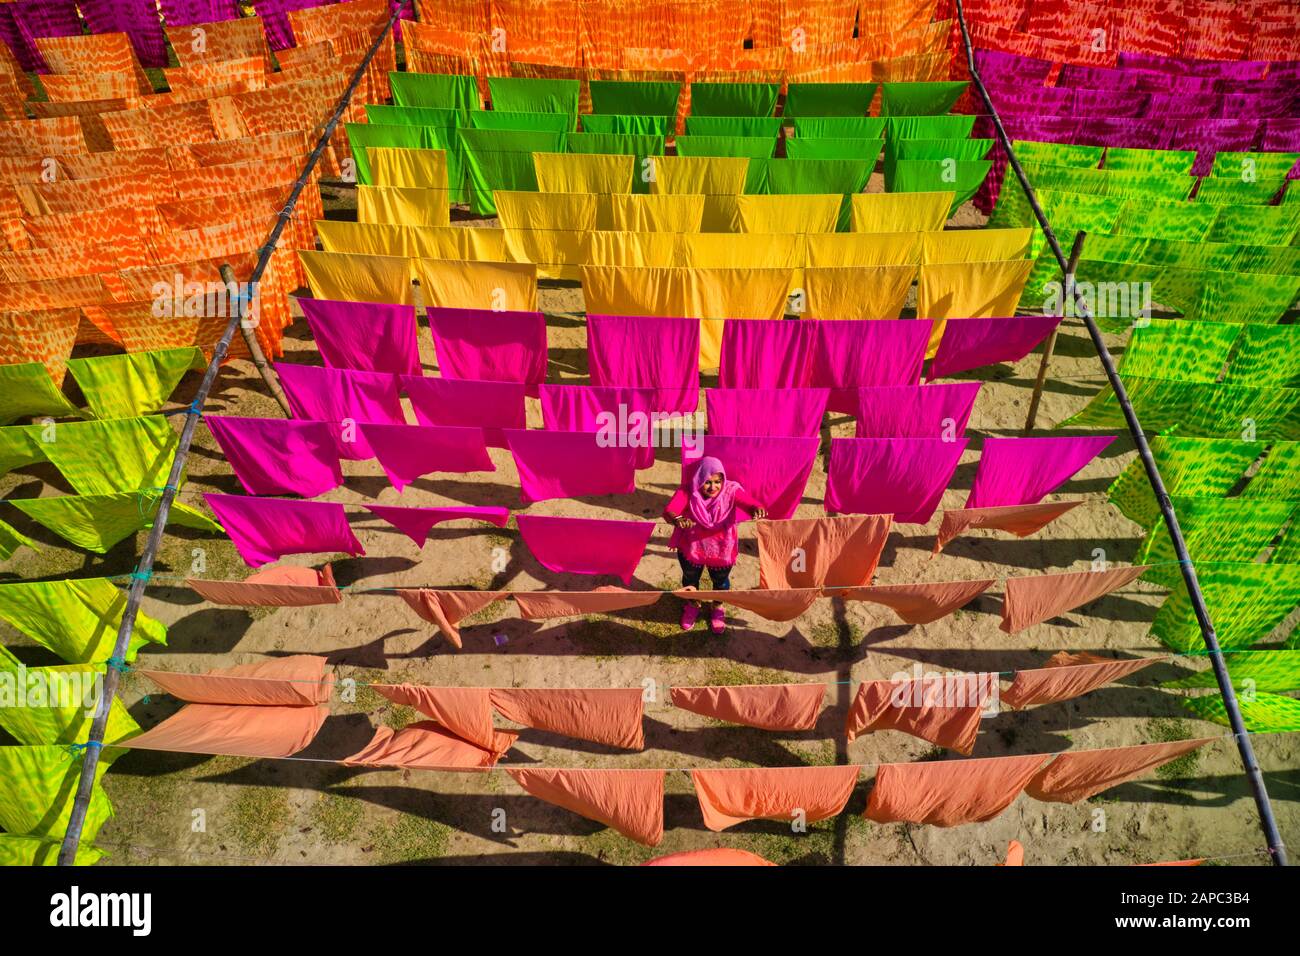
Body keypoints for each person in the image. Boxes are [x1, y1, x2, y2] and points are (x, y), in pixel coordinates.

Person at [663, 456, 766, 634]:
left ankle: (717, 608)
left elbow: (748, 502)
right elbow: (670, 510)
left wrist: (756, 507)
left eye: (717, 482)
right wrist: (677, 519)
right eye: (707, 482)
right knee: (690, 580)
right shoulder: (688, 491)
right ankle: (692, 605)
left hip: (722, 550)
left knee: (721, 583)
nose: (713, 487)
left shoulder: (731, 491)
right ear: (699, 479)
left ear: (723, 480)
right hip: (691, 549)